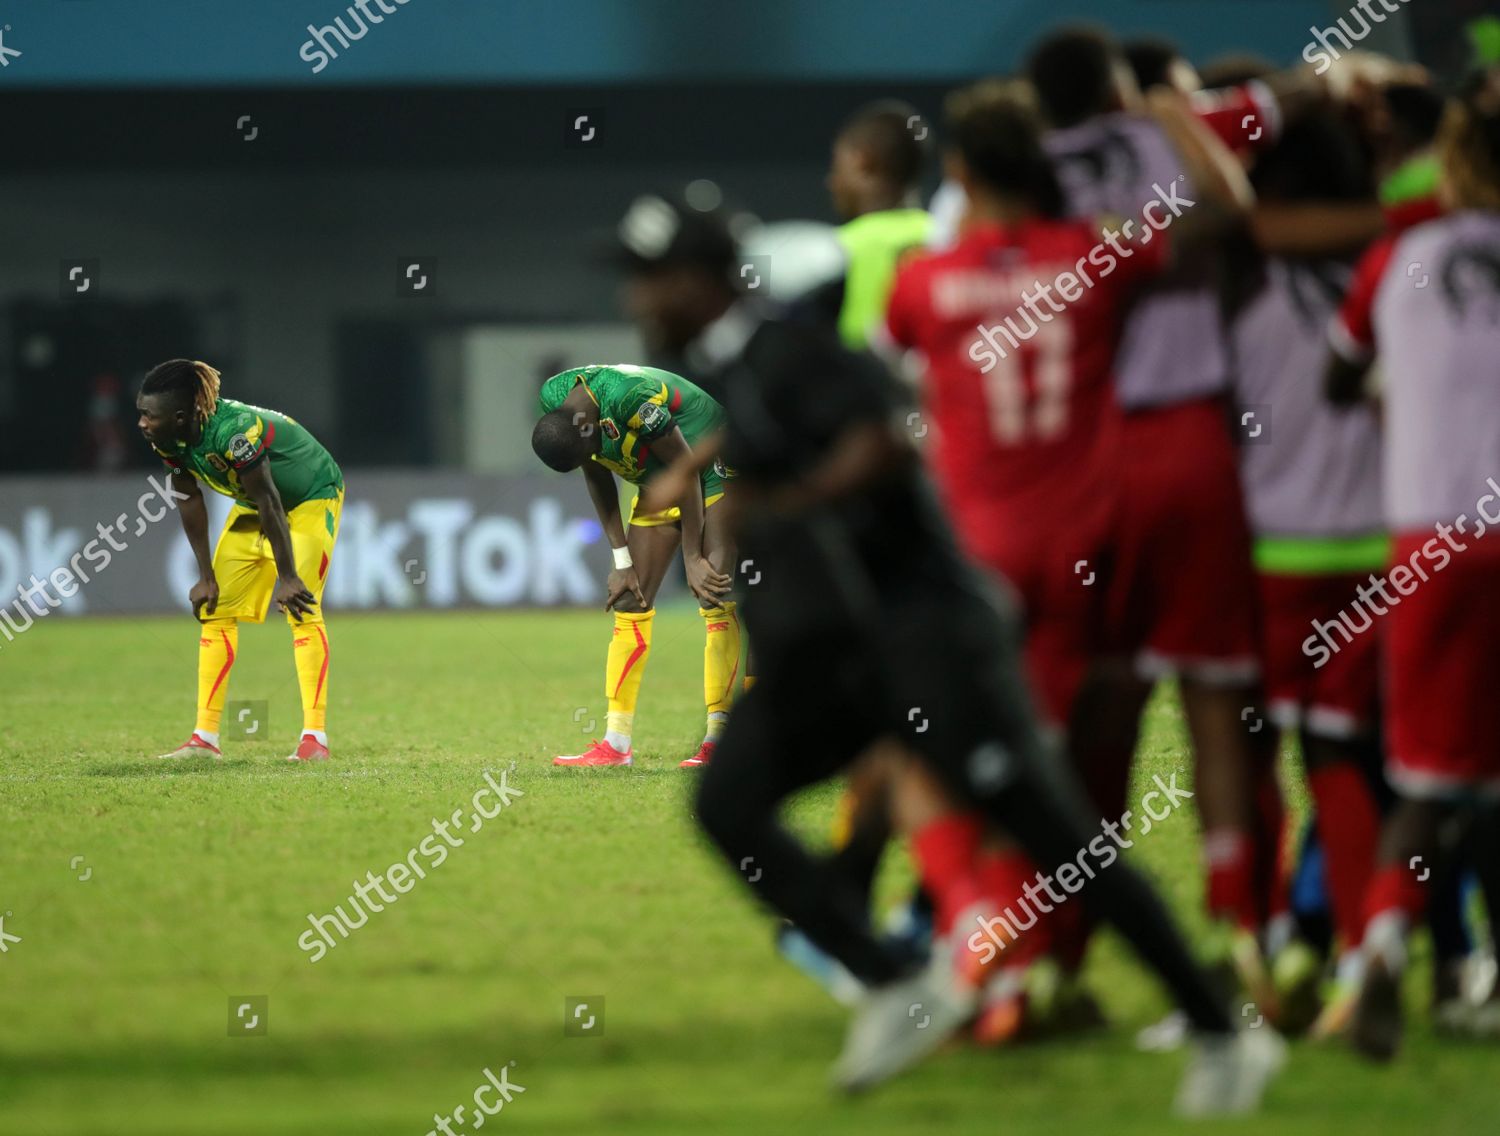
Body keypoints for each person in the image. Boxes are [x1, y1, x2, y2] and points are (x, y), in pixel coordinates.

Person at [637, 201, 1284, 1115]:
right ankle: (895, 980)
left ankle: (1222, 1035)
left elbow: (892, 437)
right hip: (845, 655)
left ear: (706, 284)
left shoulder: (793, 349)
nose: (639, 295)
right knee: (726, 802)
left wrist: (792, 502)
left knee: (1056, 841)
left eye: (653, 275)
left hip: (934, 639)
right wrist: (728, 486)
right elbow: (776, 440)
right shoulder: (739, 368)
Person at [1325, 73, 1500, 1059]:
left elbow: (1336, 372)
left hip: (1430, 539)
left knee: (1428, 778)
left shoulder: (1398, 257)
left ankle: (1385, 948)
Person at [137, 359, 343, 763]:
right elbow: (189, 496)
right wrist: (205, 576)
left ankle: (314, 738)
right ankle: (204, 739)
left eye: (149, 415)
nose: (142, 423)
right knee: (215, 610)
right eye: (141, 413)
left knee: (301, 606)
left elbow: (270, 498)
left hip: (309, 497)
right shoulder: (167, 438)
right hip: (254, 505)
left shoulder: (233, 433)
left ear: (180, 416)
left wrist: (286, 576)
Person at [531, 363, 736, 768]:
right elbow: (597, 472)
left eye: (590, 451)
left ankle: (720, 741)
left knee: (714, 593)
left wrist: (692, 556)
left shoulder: (632, 400)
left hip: (708, 465)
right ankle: (616, 744)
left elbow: (687, 469)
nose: (592, 458)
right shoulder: (559, 405)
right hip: (655, 474)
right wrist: (621, 560)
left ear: (589, 429)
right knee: (630, 599)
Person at [824, 99, 934, 349]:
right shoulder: (948, 237)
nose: (830, 181)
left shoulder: (838, 248)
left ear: (861, 163)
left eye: (836, 165)